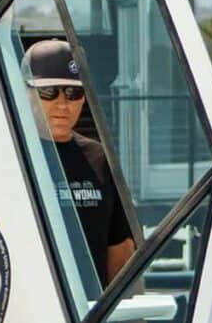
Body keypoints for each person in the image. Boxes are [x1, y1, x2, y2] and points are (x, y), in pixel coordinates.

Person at [24, 40, 136, 285]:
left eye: (73, 93)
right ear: (26, 93)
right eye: (49, 91)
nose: (62, 104)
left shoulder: (99, 158)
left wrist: (127, 319)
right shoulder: (12, 157)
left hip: (91, 314)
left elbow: (121, 251)